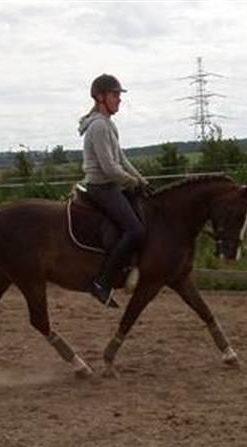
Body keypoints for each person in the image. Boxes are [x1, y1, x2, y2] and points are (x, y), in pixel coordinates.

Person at [78, 74, 153, 308]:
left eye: (119, 95)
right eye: (115, 95)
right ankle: (102, 282)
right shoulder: (99, 126)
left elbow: (121, 158)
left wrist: (141, 180)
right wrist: (132, 182)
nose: (119, 99)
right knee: (135, 231)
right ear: (100, 97)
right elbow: (109, 168)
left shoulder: (108, 124)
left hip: (112, 184)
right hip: (101, 187)